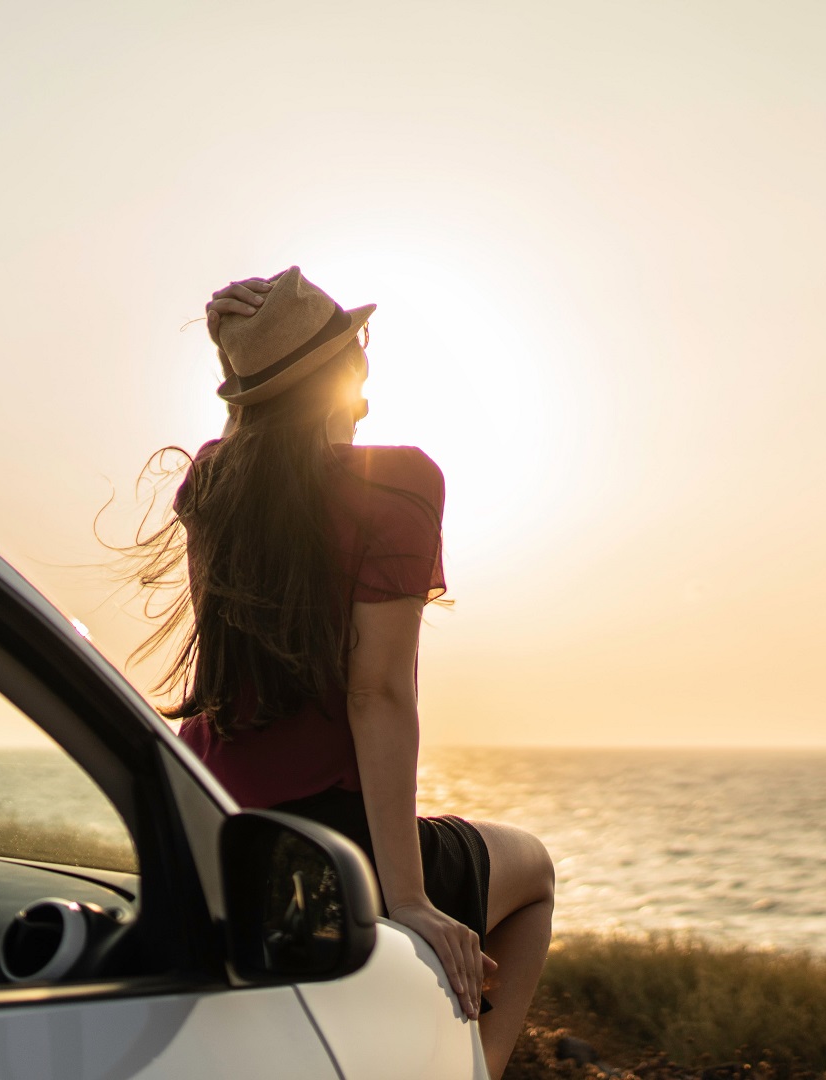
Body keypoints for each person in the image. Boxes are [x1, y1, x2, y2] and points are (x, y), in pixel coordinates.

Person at [129, 267, 555, 1077]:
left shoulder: (211, 483)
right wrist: (407, 901)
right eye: (356, 347)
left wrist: (248, 365)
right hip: (332, 841)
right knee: (532, 872)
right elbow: (378, 693)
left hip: (217, 826)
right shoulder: (399, 483)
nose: (366, 359)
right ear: (339, 373)